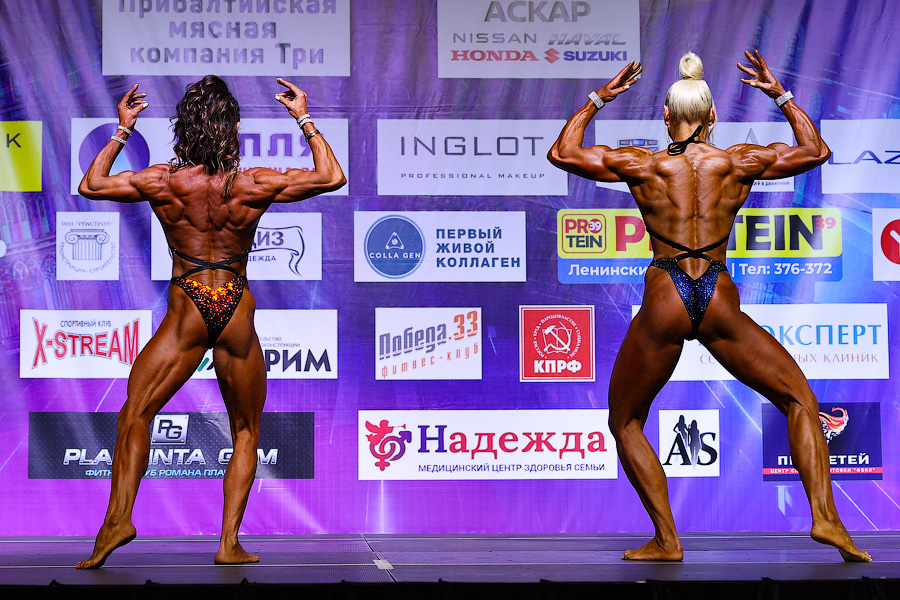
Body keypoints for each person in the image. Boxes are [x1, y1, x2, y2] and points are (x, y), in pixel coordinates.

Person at [548, 50, 871, 562]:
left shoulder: (644, 164)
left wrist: (597, 99)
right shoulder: (738, 161)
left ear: (665, 116)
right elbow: (815, 150)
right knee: (799, 400)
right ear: (713, 115)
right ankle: (826, 519)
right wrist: (781, 96)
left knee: (625, 421)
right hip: (717, 293)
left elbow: (563, 153)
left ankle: (668, 540)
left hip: (665, 295)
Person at [75, 76, 345, 568]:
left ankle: (118, 520)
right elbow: (331, 176)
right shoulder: (252, 182)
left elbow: (91, 185)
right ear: (234, 128)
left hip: (188, 309)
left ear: (183, 129)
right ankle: (228, 543)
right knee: (245, 430)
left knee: (135, 414)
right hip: (234, 307)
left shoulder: (163, 181)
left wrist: (123, 130)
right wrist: (303, 117)